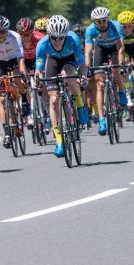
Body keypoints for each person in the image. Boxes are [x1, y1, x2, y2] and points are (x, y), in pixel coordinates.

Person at [35, 15, 89, 158]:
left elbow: (82, 64)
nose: (57, 41)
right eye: (54, 38)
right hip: (53, 61)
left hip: (69, 60)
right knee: (53, 100)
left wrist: (83, 77)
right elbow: (39, 71)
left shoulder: (73, 40)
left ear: (66, 35)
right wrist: (40, 81)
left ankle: (80, 104)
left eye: (61, 37)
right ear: (48, 35)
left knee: (67, 75)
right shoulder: (42, 44)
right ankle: (59, 141)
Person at [0, 15, 29, 148]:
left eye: (2, 32)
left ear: (7, 30)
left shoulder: (15, 37)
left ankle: (24, 99)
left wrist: (23, 74)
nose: (0, 35)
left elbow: (20, 59)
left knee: (19, 77)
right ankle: (7, 134)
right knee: (2, 100)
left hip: (14, 61)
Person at [84, 6, 126, 136]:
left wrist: (120, 62)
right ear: (94, 22)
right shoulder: (90, 30)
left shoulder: (116, 26)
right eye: (98, 21)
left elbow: (120, 47)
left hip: (114, 49)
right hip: (100, 49)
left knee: (115, 70)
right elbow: (88, 51)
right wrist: (87, 68)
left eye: (103, 20)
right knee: (99, 84)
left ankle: (121, 91)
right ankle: (102, 119)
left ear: (108, 19)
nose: (101, 24)